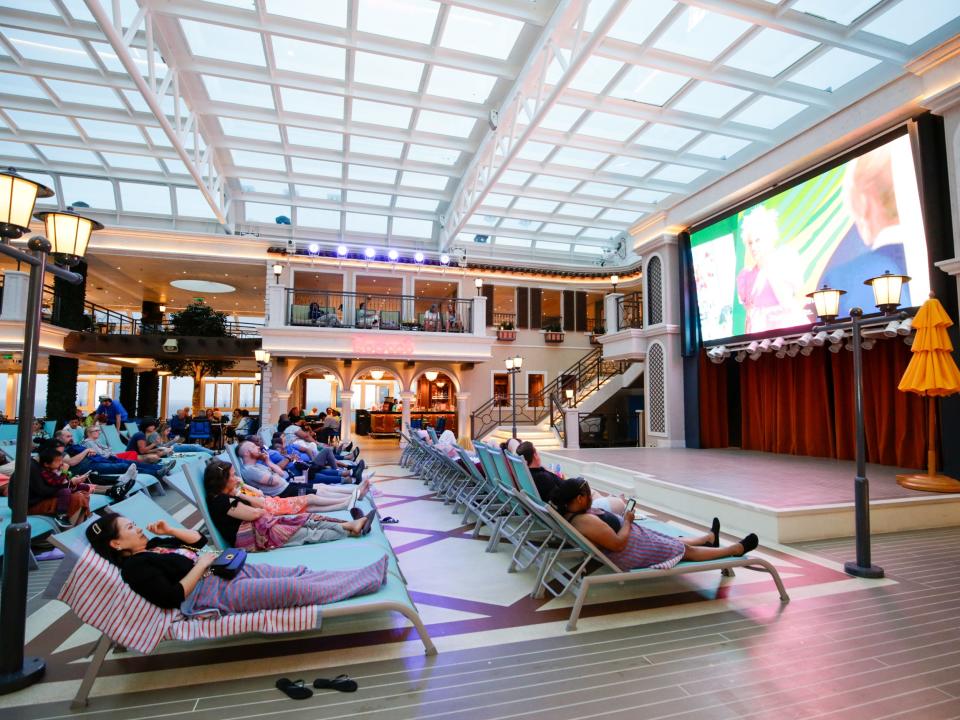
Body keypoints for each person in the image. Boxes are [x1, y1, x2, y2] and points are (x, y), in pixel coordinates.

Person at [85, 512, 389, 613]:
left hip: (226, 568)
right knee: (294, 587)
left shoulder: (154, 545)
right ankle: (365, 580)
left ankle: (356, 573)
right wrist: (202, 566)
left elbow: (201, 542)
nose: (136, 527)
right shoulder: (134, 569)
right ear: (116, 544)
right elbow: (172, 598)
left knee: (297, 571)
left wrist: (171, 531)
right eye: (129, 528)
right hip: (213, 594)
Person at [550, 478, 758, 570]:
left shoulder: (576, 513)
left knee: (668, 539)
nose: (590, 497)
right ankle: (734, 550)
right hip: (630, 550)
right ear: (578, 499)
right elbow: (617, 545)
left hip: (634, 539)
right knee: (683, 550)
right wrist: (628, 521)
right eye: (587, 495)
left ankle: (708, 539)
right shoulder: (584, 521)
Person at [203, 461, 375, 552]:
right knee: (307, 533)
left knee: (308, 519)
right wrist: (240, 495)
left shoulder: (227, 496)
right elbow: (255, 514)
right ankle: (350, 529)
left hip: (263, 526)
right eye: (233, 476)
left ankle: (352, 524)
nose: (236, 478)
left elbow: (258, 509)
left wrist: (244, 496)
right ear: (223, 480)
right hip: (255, 537)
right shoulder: (222, 501)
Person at [734, 206, 811, 334]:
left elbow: (788, 301)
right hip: (759, 337)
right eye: (750, 242)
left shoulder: (785, 259)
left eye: (757, 240)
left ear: (769, 238)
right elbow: (749, 317)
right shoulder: (746, 276)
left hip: (788, 331)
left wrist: (768, 267)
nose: (753, 247)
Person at [236, 440, 369, 511]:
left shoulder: (259, 465)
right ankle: (350, 498)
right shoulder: (250, 470)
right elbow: (277, 480)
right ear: (247, 452)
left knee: (321, 486)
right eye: (254, 447)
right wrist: (276, 472)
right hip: (282, 492)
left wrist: (268, 462)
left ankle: (355, 491)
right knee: (315, 493)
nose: (258, 448)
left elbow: (281, 474)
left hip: (287, 485)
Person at [28, 446, 133, 527]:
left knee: (80, 489)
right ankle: (69, 525)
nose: (61, 463)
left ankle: (111, 491)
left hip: (46, 496)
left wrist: (70, 481)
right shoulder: (34, 469)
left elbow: (56, 484)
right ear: (46, 462)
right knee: (77, 495)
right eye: (58, 461)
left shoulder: (43, 468)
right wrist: (69, 481)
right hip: (32, 504)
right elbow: (48, 490)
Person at [515, 441, 625, 514]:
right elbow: (560, 501)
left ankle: (608, 500)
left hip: (578, 499)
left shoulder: (528, 474)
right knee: (619, 504)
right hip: (576, 505)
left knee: (595, 493)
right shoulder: (542, 478)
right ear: (534, 455)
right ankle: (617, 504)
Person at [82, 425, 174, 478]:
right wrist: (108, 452)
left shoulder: (96, 441)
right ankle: (157, 471)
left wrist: (108, 452)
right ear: (89, 433)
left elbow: (108, 450)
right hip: (107, 461)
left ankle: (160, 468)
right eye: (96, 431)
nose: (99, 432)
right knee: (131, 465)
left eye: (99, 430)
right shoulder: (88, 443)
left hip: (111, 458)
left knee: (133, 463)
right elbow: (102, 455)